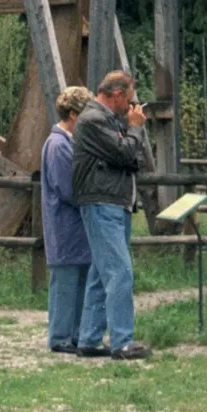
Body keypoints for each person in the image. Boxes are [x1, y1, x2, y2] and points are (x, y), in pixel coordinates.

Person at [72, 70, 153, 360]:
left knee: (99, 273)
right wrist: (136, 128)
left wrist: (131, 136)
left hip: (115, 201)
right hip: (102, 201)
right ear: (117, 95)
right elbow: (127, 154)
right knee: (120, 272)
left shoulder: (109, 121)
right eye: (128, 99)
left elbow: (137, 158)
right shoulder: (94, 120)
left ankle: (90, 339)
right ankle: (122, 341)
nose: (131, 106)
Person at [41, 85, 93, 353]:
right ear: (73, 115)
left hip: (76, 227)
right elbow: (67, 188)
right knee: (65, 284)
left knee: (79, 282)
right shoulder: (58, 145)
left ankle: (75, 333)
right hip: (64, 225)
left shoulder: (69, 143)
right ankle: (60, 336)